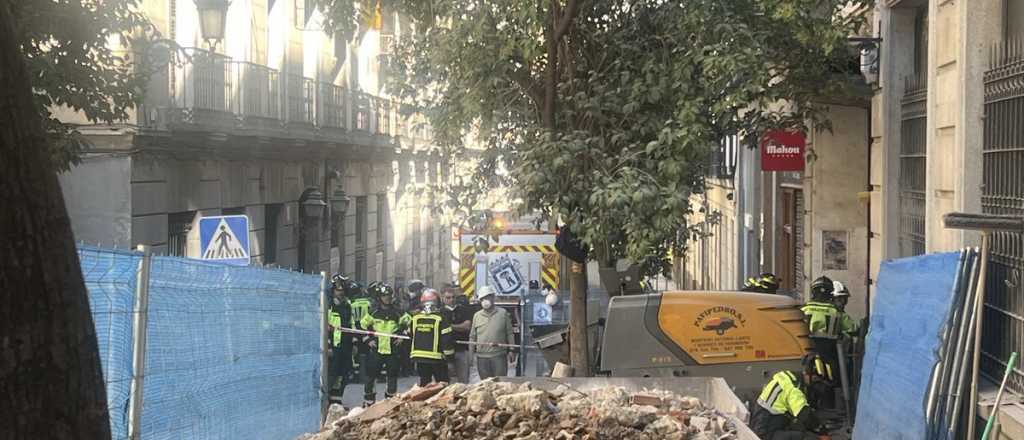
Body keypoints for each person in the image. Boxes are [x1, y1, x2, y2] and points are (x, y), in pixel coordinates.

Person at [750, 353, 829, 440]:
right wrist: (821, 430)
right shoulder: (794, 388)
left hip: (763, 423)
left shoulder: (790, 378)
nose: (816, 383)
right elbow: (804, 414)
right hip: (767, 434)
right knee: (806, 437)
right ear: (809, 375)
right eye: (816, 379)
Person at [359, 283, 410, 407]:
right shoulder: (373, 312)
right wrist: (368, 340)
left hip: (393, 350)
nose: (387, 297)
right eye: (384, 295)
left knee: (392, 376)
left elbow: (410, 323)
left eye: (389, 295)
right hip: (377, 349)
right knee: (370, 376)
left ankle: (390, 404)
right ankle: (369, 403)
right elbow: (361, 326)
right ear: (379, 297)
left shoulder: (398, 312)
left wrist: (402, 337)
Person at [469, 286, 516, 379]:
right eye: (482, 298)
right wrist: (471, 355)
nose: (485, 300)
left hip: (499, 356)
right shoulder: (477, 316)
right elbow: (472, 336)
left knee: (501, 383)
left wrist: (512, 350)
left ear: (493, 298)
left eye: (488, 297)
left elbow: (510, 333)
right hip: (482, 357)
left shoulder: (503, 313)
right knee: (485, 385)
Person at [409, 289, 455, 386]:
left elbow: (411, 335)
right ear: (437, 302)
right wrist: (450, 359)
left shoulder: (415, 318)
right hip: (437, 358)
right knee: (442, 385)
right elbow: (446, 341)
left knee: (424, 384)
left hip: (419, 358)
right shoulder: (441, 318)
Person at [802, 276, 841, 374]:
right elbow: (851, 329)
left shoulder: (804, 309)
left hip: (807, 350)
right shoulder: (835, 311)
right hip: (829, 351)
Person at [327, 274, 355, 404]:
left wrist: (354, 342)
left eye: (343, 290)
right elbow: (321, 325)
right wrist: (327, 344)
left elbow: (351, 323)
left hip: (345, 345)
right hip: (332, 345)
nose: (341, 293)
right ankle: (326, 402)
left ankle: (336, 402)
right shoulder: (327, 304)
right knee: (331, 374)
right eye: (338, 290)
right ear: (333, 290)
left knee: (343, 374)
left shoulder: (348, 305)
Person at [442, 288, 474, 383]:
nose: (451, 300)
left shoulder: (463, 310)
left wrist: (449, 326)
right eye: (448, 297)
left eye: (453, 297)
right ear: (442, 298)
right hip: (445, 352)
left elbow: (467, 326)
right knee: (447, 381)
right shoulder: (440, 312)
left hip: (462, 350)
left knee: (463, 381)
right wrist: (460, 326)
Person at [349, 282, 373, 381]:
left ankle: (356, 374)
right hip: (366, 329)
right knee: (366, 352)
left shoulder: (351, 304)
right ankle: (366, 374)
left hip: (354, 330)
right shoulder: (368, 303)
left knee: (355, 353)